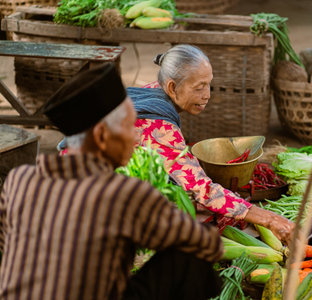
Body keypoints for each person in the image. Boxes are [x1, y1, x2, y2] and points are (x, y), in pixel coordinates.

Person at [0, 63, 223, 300]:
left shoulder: (19, 179)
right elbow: (206, 245)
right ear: (102, 136)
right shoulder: (123, 193)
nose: (138, 135)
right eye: (130, 126)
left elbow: (8, 246)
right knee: (191, 262)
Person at [127, 44, 294, 244]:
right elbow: (203, 190)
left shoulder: (153, 93)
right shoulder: (159, 127)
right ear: (172, 87)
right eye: (199, 87)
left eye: (208, 84)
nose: (207, 94)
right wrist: (270, 219)